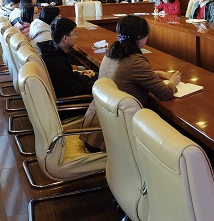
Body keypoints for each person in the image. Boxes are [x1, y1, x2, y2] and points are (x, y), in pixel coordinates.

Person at [79, 15, 180, 151]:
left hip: (94, 130)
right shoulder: (136, 61)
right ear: (140, 38)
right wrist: (173, 82)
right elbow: (165, 93)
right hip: (112, 138)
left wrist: (155, 74)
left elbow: (126, 75)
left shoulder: (111, 53)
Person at [39, 17, 95, 99]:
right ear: (65, 38)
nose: (76, 36)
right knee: (101, 85)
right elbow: (69, 89)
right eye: (75, 33)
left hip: (72, 87)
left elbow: (65, 76)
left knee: (98, 76)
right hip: (73, 99)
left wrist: (81, 74)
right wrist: (86, 77)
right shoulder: (56, 60)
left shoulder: (53, 50)